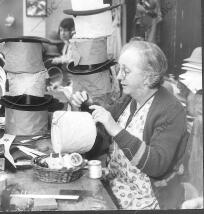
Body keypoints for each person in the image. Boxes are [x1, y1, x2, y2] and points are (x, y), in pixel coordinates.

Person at [70, 41, 189, 209]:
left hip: (148, 200)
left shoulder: (171, 110)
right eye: (119, 69)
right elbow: (106, 123)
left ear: (148, 76)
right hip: (117, 186)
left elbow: (157, 165)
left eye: (126, 71)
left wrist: (116, 130)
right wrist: (87, 106)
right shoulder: (130, 97)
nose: (119, 76)